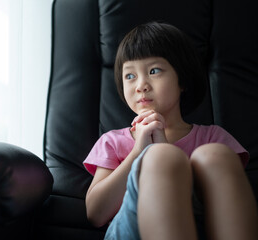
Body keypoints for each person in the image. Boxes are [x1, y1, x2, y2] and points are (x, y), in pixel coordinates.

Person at [83, 22, 258, 240]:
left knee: (216, 155)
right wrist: (139, 152)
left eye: (154, 71)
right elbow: (95, 214)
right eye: (130, 76)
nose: (141, 85)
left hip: (203, 226)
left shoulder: (214, 138)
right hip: (131, 229)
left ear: (181, 80)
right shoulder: (113, 141)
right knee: (161, 156)